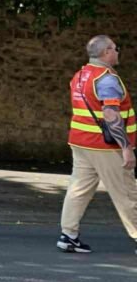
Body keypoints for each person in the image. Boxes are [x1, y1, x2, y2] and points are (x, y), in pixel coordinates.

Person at [58, 35, 137, 255]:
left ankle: (68, 236)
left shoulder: (80, 75)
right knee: (127, 193)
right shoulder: (107, 79)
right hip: (105, 147)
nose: (118, 52)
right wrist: (126, 147)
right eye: (116, 48)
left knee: (78, 190)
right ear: (106, 52)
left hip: (80, 142)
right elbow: (110, 114)